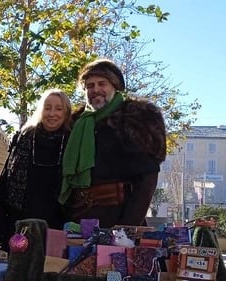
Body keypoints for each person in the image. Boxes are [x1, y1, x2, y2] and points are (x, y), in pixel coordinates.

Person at [58, 58, 167, 228]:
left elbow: (147, 179)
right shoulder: (76, 124)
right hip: (79, 219)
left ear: (115, 86)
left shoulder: (135, 118)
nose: (96, 90)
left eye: (102, 84)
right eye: (90, 85)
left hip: (119, 219)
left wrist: (127, 227)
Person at [0, 89, 72, 251]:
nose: (52, 113)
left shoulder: (72, 141)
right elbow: (5, 183)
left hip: (57, 226)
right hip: (21, 224)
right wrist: (1, 223)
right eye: (47, 108)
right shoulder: (24, 137)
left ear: (66, 113)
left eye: (58, 109)